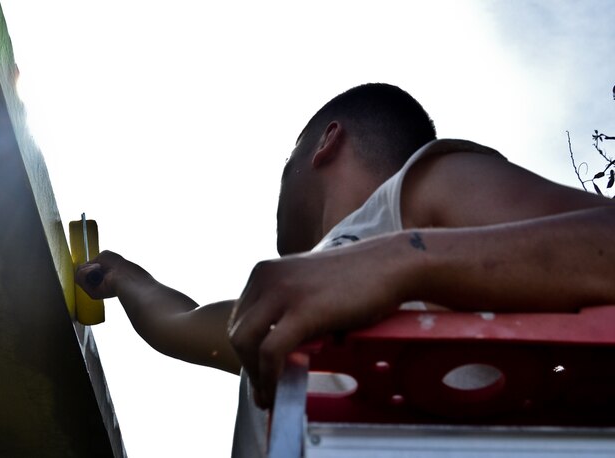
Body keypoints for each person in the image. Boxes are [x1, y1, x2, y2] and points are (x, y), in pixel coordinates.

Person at [74, 83, 615, 413]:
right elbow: (180, 323)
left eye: (287, 166)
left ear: (326, 143)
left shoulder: (426, 189)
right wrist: (129, 281)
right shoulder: (288, 308)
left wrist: (403, 261)